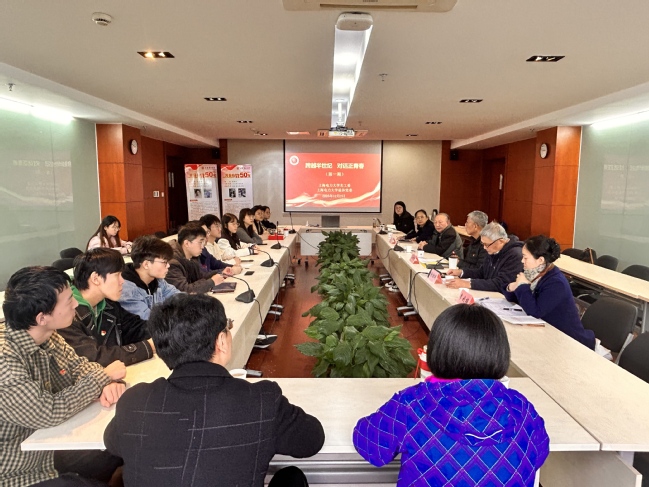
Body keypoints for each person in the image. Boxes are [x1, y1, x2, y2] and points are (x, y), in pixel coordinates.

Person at [104, 294, 324, 487]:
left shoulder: (135, 402)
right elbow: (312, 440)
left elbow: (112, 443)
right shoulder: (261, 400)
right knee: (291, 477)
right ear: (221, 341)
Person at [353, 304, 550, 486]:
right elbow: (539, 454)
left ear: (437, 351)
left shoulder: (412, 404)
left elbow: (370, 446)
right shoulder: (521, 408)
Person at [1, 266, 127, 487]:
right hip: (19, 470)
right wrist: (103, 377)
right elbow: (46, 411)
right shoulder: (5, 358)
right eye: (69, 301)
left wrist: (106, 382)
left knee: (125, 439)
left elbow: (80, 367)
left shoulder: (47, 335)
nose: (76, 304)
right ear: (42, 317)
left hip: (52, 447)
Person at [58, 249, 155, 367]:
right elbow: (94, 357)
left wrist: (166, 332)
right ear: (95, 278)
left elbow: (135, 328)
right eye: (117, 275)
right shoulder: (65, 316)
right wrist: (148, 347)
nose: (123, 281)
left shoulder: (107, 304)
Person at [504, 235, 596, 349]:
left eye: (525, 257)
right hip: (547, 331)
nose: (522, 261)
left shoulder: (556, 283)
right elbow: (516, 299)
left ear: (540, 260)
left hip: (568, 339)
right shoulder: (533, 272)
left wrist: (522, 286)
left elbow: (535, 312)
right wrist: (512, 287)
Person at [446, 222, 523, 291]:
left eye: (487, 244)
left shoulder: (515, 255)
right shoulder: (493, 249)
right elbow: (482, 272)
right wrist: (461, 272)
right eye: (483, 244)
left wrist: (468, 284)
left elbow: (501, 283)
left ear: (501, 241)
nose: (484, 248)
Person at [118, 235, 181, 320]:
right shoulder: (127, 290)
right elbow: (150, 321)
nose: (168, 266)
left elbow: (178, 297)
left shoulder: (157, 281)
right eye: (164, 262)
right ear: (146, 264)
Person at [165, 224, 230, 294]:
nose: (202, 247)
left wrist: (221, 272)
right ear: (187, 243)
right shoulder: (171, 262)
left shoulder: (191, 256)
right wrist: (212, 282)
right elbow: (185, 291)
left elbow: (200, 276)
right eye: (200, 242)